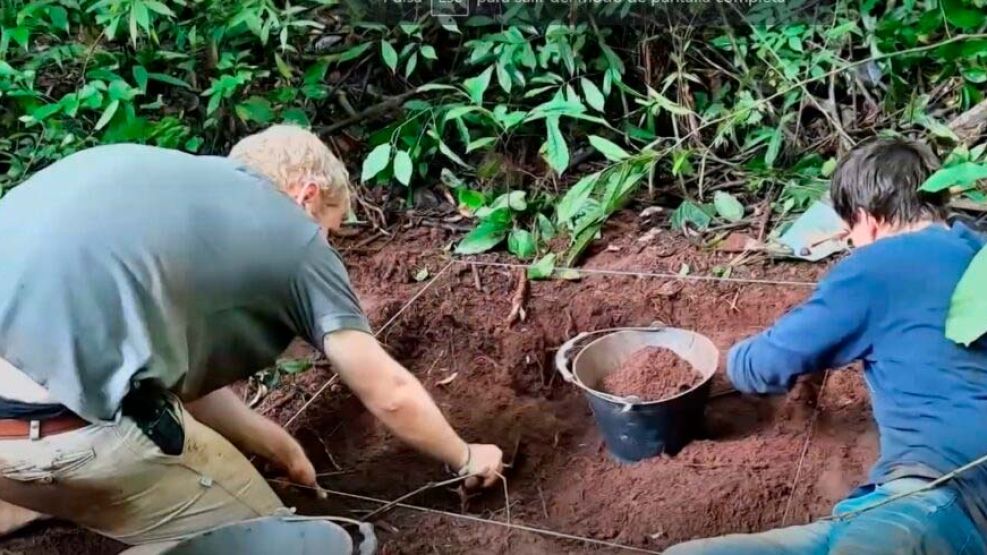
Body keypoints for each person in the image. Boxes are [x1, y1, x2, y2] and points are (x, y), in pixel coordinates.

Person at [0, 125, 504, 550]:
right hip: (65, 437)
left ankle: (26, 505)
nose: (324, 245)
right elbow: (387, 392)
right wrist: (465, 455)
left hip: (15, 436)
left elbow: (162, 378)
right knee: (287, 542)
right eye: (328, 230)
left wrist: (276, 445)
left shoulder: (158, 188)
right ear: (306, 195)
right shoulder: (291, 231)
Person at [666, 138, 987, 554]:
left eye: (850, 231)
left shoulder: (881, 264)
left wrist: (727, 360)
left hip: (944, 498)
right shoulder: (977, 253)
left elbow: (766, 363)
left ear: (866, 219)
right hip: (885, 505)